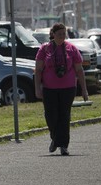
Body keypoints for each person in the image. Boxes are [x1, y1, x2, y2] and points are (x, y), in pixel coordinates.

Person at [34, 22, 89, 155]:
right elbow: (38, 70)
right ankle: (55, 138)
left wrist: (84, 89)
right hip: (49, 88)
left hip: (68, 88)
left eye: (64, 34)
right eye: (59, 34)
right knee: (51, 115)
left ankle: (63, 145)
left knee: (64, 116)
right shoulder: (44, 49)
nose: (62, 36)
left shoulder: (71, 49)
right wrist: (37, 88)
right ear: (53, 34)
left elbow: (79, 70)